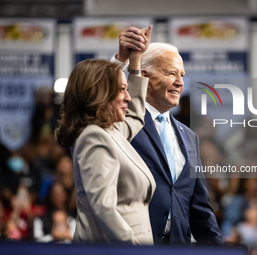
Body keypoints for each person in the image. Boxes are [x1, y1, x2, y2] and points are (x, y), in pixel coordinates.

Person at [111, 27, 223, 245]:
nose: (180, 82)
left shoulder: (189, 136)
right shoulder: (122, 124)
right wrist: (120, 61)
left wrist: (221, 250)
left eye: (182, 75)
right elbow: (95, 106)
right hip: (133, 244)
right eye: (171, 73)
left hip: (178, 246)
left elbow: (199, 208)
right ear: (144, 75)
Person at [56, 26, 156, 245]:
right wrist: (134, 250)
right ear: (100, 94)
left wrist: (134, 62)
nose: (128, 98)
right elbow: (103, 207)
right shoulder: (95, 137)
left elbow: (136, 117)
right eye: (122, 90)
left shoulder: (108, 131)